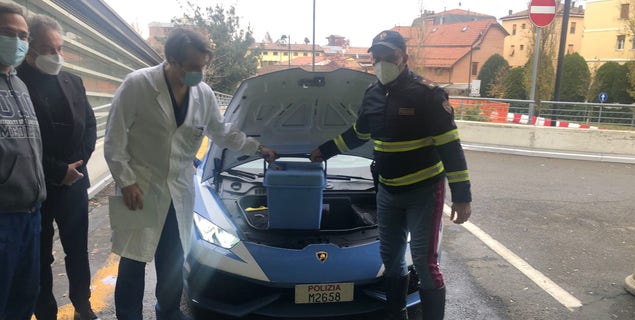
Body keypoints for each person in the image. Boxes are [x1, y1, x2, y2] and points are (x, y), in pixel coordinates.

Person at [104, 27, 276, 320]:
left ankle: (168, 311)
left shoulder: (204, 94)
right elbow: (114, 141)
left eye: (203, 67)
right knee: (133, 259)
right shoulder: (137, 85)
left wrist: (257, 148)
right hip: (140, 188)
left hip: (180, 190)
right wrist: (127, 181)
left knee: (173, 257)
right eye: (193, 67)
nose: (200, 74)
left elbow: (220, 132)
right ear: (171, 59)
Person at [309, 30, 472, 320]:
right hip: (387, 192)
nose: (382, 63)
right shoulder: (371, 94)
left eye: (390, 57)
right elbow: (358, 134)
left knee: (424, 263)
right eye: (378, 57)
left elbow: (451, 147)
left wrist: (462, 196)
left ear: (404, 58)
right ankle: (396, 315)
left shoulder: (428, 95)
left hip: (424, 192)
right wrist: (326, 150)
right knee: (391, 260)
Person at [16, 14, 98, 320]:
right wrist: (57, 171)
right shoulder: (17, 82)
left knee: (78, 250)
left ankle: (82, 305)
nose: (57, 56)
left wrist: (78, 166)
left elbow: (89, 125)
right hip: (37, 185)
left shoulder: (72, 81)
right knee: (40, 255)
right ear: (31, 49)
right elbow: (24, 141)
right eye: (50, 49)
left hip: (74, 183)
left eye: (60, 48)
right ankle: (45, 311)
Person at [0, 3, 47, 320]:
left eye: (22, 36)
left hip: (31, 215)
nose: (17, 41)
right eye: (7, 33)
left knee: (24, 298)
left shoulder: (20, 84)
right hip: (3, 217)